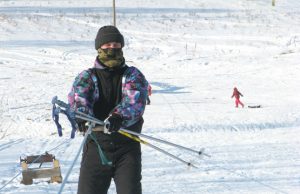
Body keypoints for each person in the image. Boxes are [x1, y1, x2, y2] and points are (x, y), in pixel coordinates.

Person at [68, 25, 149, 194]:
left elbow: (135, 101)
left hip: (127, 148)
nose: (112, 48)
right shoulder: (87, 76)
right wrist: (82, 116)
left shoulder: (133, 74)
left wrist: (118, 116)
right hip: (96, 147)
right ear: (99, 47)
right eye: (107, 45)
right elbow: (79, 98)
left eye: (116, 45)